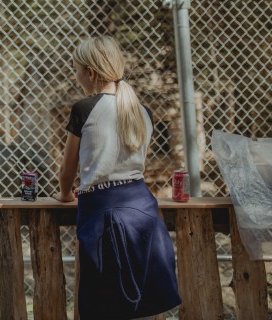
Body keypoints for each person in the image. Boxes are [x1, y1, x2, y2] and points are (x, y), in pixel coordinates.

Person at [52, 36, 181, 320]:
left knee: (105, 303)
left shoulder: (84, 110)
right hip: (142, 207)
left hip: (102, 211)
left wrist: (64, 194)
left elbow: (68, 170)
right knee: (141, 304)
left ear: (91, 73)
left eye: (77, 70)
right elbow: (139, 163)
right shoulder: (141, 111)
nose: (76, 78)